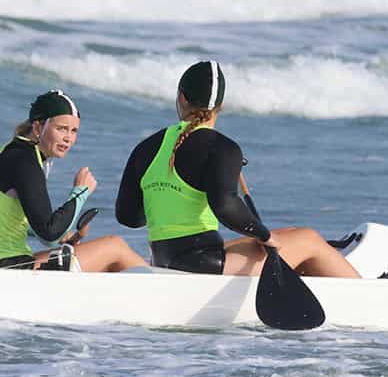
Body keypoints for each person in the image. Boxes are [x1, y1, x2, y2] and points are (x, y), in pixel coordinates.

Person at [115, 61, 360, 278]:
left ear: (181, 98)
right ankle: (364, 294)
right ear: (220, 106)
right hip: (203, 265)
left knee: (290, 233)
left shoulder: (146, 147)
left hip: (163, 258)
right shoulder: (222, 147)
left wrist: (165, 200)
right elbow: (225, 206)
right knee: (308, 239)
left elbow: (128, 217)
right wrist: (264, 235)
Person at [1, 90, 147, 272]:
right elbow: (49, 233)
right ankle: (163, 283)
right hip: (10, 269)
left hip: (11, 262)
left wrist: (62, 235)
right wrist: (80, 192)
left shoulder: (10, 152)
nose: (68, 138)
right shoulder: (26, 162)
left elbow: (35, 229)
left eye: (74, 131)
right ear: (38, 127)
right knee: (115, 248)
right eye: (61, 128)